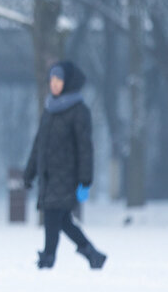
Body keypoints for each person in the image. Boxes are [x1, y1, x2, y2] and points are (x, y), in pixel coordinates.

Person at [23, 61, 107, 270]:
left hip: (67, 176)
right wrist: (30, 171)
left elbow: (85, 148)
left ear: (68, 82)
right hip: (48, 175)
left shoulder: (79, 111)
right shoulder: (50, 108)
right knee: (62, 221)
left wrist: (85, 180)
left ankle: (48, 258)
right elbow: (39, 144)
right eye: (52, 80)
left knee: (53, 215)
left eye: (59, 80)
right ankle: (92, 254)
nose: (54, 84)